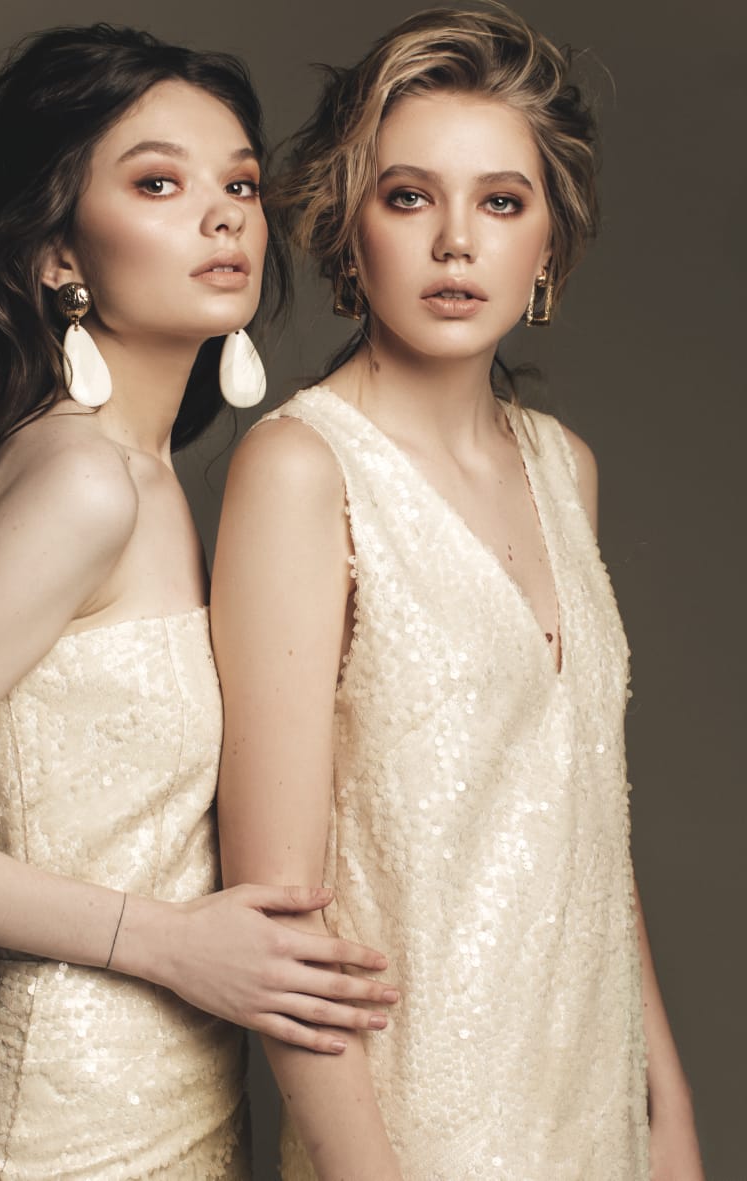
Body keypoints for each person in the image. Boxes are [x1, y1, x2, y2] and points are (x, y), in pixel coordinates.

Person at [0, 24, 398, 1180]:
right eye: (158, 183)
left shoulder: (142, 477)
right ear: (56, 254)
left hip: (177, 1103)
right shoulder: (82, 484)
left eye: (239, 183)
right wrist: (171, 945)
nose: (224, 216)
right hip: (68, 1123)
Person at [211, 6, 704, 1179]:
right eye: (408, 197)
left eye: (501, 201)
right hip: (417, 1128)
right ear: (351, 231)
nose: (455, 243)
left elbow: (588, 812)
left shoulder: (564, 466)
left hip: (592, 1111)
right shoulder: (301, 469)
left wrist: (668, 1106)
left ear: (550, 243)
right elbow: (280, 911)